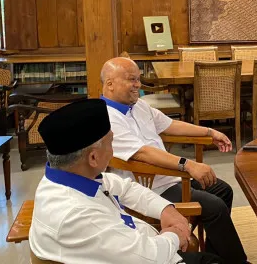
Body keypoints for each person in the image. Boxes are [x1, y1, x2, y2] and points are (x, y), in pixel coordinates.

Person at [30, 99, 219, 264]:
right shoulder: (76, 215)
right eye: (111, 143)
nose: (113, 152)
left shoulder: (71, 178)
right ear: (93, 158)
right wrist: (175, 235)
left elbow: (127, 188)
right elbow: (148, 257)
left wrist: (165, 209)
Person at [100, 57, 248, 263]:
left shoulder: (138, 105)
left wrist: (209, 131)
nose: (138, 85)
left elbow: (170, 125)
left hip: (170, 176)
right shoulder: (106, 118)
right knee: (215, 207)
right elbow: (143, 153)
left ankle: (216, 257)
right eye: (131, 80)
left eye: (138, 79)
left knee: (223, 190)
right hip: (148, 186)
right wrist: (187, 165)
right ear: (110, 84)